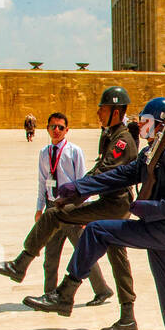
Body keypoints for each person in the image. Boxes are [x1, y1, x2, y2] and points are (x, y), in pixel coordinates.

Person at [22, 97, 165, 330]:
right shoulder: (151, 152)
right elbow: (120, 174)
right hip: (158, 230)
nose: (140, 125)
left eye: (145, 120)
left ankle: (66, 293)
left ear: (158, 123)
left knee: (97, 230)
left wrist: (147, 208)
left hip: (164, 230)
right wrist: (78, 187)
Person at [0, 89, 140, 330]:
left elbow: (103, 173)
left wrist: (75, 192)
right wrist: (78, 191)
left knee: (55, 214)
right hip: (113, 204)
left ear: (116, 112)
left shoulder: (122, 140)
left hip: (114, 205)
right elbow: (100, 170)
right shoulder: (112, 134)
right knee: (117, 257)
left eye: (102, 108)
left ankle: (21, 265)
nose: (98, 112)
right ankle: (128, 316)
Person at [25, 112, 116, 303]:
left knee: (84, 253)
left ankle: (102, 290)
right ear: (47, 128)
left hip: (71, 209)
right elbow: (42, 182)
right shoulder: (44, 153)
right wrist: (39, 208)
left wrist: (83, 214)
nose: (56, 130)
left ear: (67, 130)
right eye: (52, 127)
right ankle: (49, 293)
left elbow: (83, 183)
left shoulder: (74, 151)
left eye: (60, 127)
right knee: (50, 256)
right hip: (52, 209)